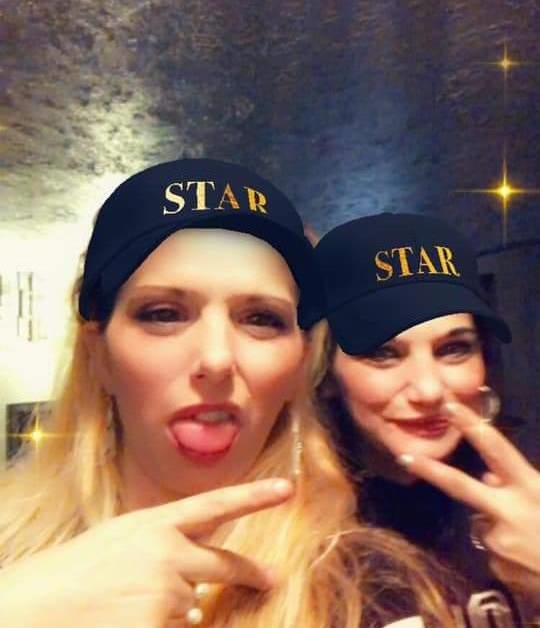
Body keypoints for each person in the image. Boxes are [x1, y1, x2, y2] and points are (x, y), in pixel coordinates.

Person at [0, 163, 454, 628]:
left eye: (261, 319)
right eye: (163, 314)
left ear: (300, 366)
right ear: (99, 355)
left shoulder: (372, 591)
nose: (217, 359)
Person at [314, 212, 540, 627]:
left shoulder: (531, 490)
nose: (429, 390)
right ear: (327, 374)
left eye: (454, 349)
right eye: (384, 353)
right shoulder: (289, 534)